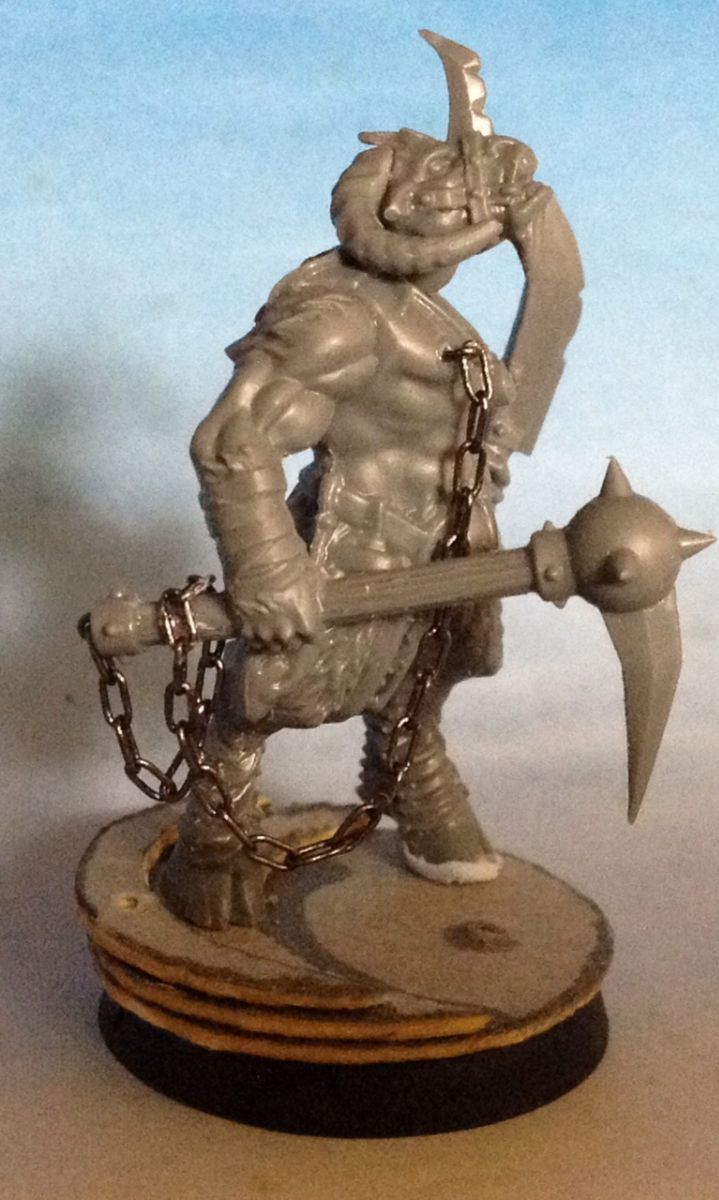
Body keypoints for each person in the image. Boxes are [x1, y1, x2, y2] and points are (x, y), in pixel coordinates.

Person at [159, 32, 583, 929]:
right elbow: (231, 442)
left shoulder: (425, 311)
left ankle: (411, 773)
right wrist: (269, 566)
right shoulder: (340, 322)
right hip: (356, 539)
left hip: (449, 540)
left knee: (422, 677)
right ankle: (212, 840)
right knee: (259, 700)